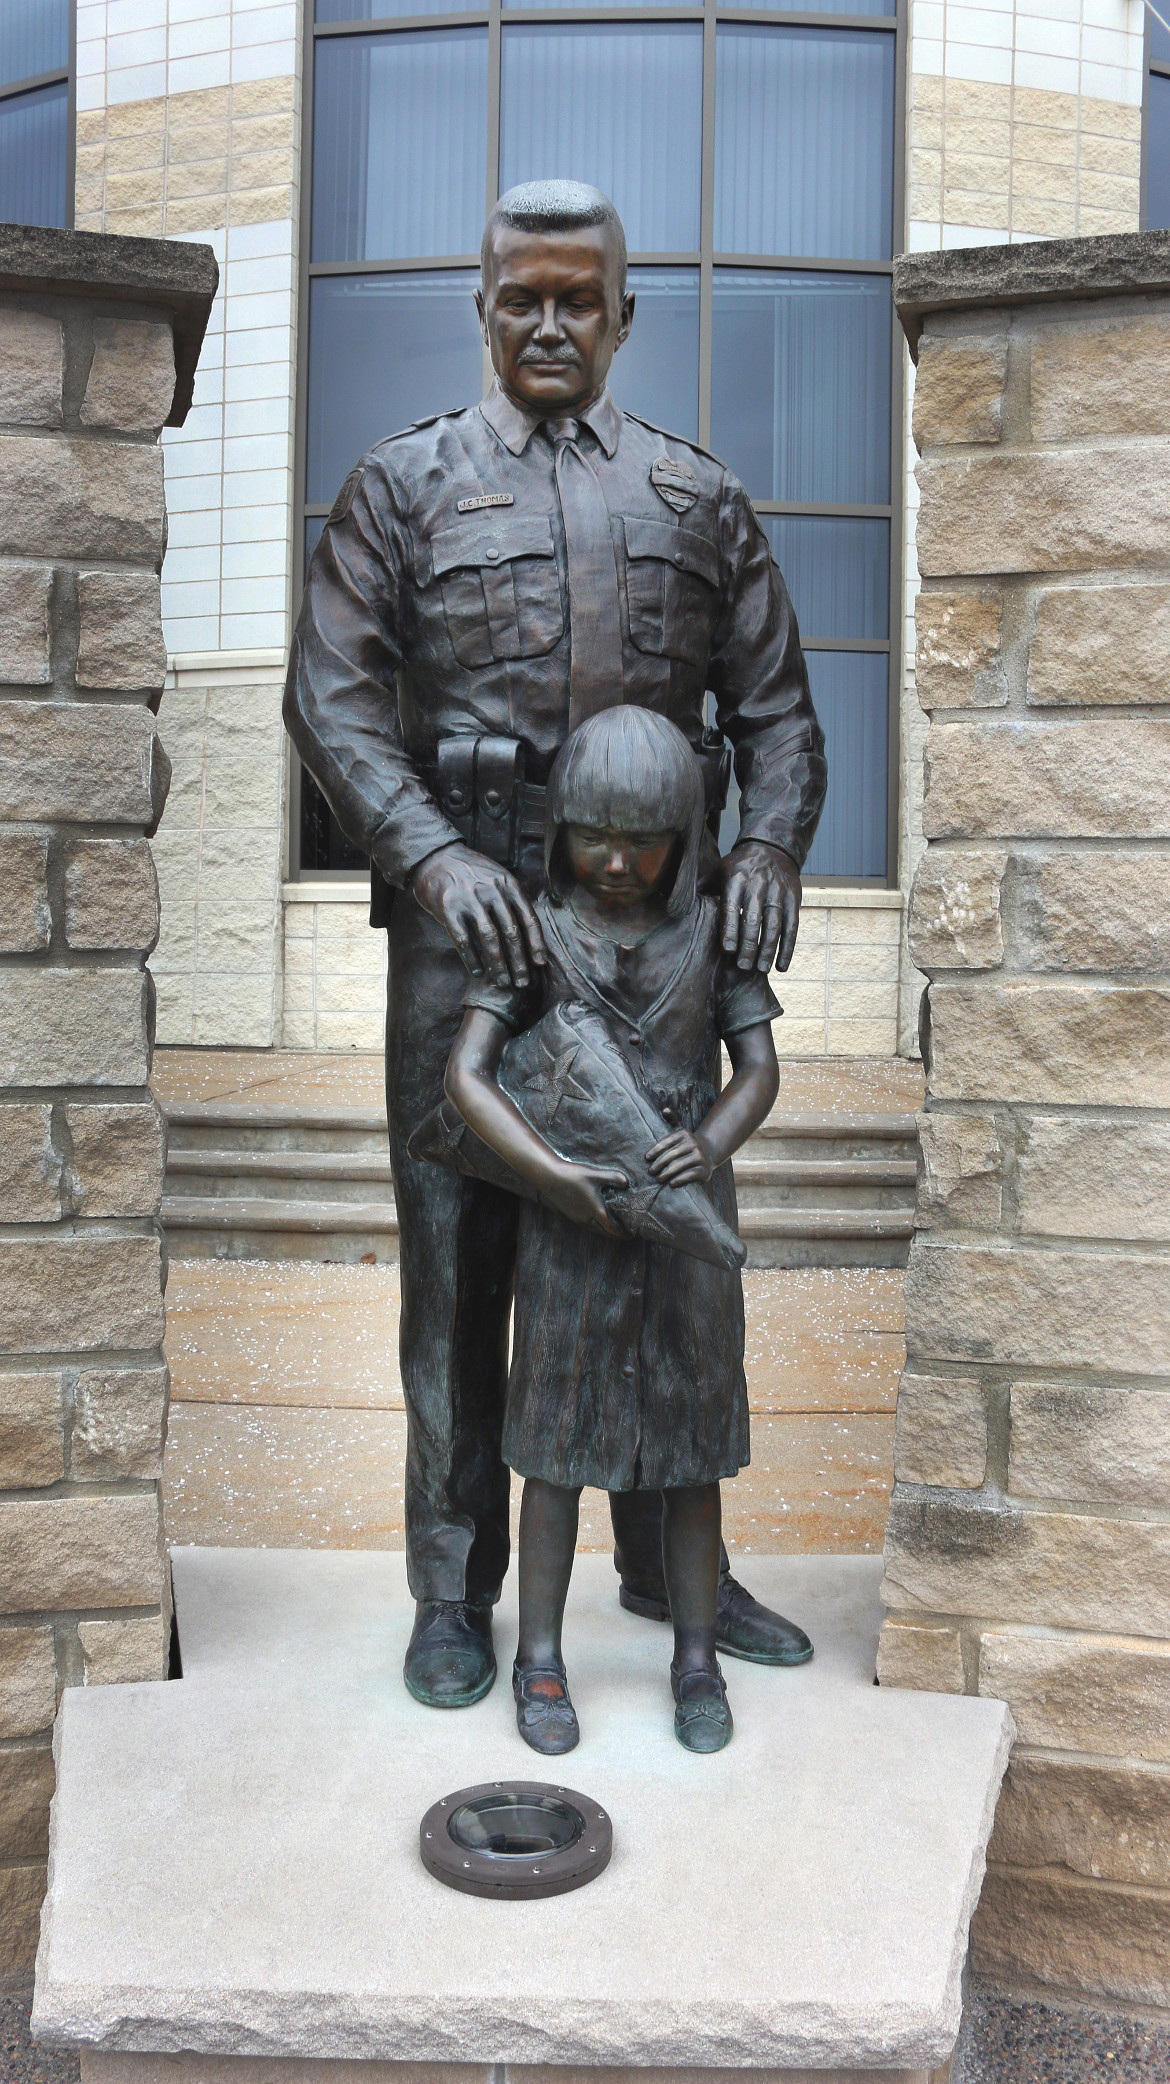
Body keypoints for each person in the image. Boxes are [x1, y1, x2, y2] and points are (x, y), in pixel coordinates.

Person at [284, 177, 828, 1710]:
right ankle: (455, 1589)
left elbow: (779, 714)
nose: (543, 320)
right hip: (470, 933)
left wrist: (769, 847)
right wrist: (435, 855)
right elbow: (328, 699)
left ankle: (671, 1565)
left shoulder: (697, 500)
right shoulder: (400, 489)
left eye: (573, 298)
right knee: (460, 1275)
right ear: (479, 303)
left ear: (619, 315)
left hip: (652, 957)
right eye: (517, 293)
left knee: (656, 1256)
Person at [446, 710, 781, 1755]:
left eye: (646, 840)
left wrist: (713, 1140)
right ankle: (538, 1660)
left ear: (688, 833)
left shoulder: (712, 930)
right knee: (551, 1456)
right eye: (595, 837)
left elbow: (760, 1068)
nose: (621, 861)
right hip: (573, 1236)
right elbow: (467, 1072)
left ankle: (695, 1656)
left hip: (685, 1241)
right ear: (561, 832)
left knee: (691, 1458)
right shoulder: (537, 933)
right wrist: (546, 1173)